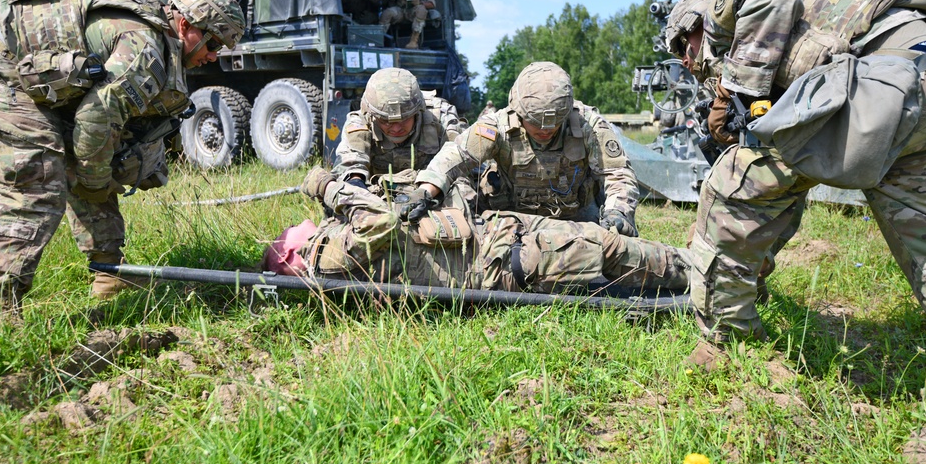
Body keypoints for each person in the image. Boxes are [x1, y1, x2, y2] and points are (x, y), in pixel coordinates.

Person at [668, 0, 926, 386]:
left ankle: (730, 342)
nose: (688, 63)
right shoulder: (805, 16)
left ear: (693, 24)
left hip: (885, 84)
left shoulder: (721, 7)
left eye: (683, 50)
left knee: (730, 191)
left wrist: (741, 93)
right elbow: (789, 184)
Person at [0, 0, 246, 337]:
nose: (214, 55)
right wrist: (93, 180)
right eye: (214, 42)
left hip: (50, 82)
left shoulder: (161, 42)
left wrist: (99, 173)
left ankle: (109, 275)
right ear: (185, 24)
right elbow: (96, 118)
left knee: (101, 159)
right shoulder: (147, 51)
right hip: (9, 72)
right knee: (38, 183)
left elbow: (101, 131)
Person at [263, 167, 691, 297]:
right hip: (503, 262)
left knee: (594, 235)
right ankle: (699, 271)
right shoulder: (325, 258)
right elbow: (380, 223)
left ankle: (688, 259)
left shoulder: (327, 240)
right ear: (296, 254)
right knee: (608, 250)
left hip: (498, 230)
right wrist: (331, 188)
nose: (300, 227)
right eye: (295, 234)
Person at [410, 61, 640, 236]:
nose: (544, 130)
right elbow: (455, 157)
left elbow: (618, 173)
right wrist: (424, 192)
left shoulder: (589, 124)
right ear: (517, 110)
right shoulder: (496, 125)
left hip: (578, 218)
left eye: (554, 123)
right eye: (535, 123)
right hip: (512, 218)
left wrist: (617, 212)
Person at [333, 68, 463, 187]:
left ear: (418, 111)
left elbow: (461, 163)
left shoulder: (440, 117)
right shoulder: (361, 122)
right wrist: (356, 182)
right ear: (372, 115)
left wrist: (429, 191)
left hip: (433, 191)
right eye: (385, 121)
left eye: (404, 119)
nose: (395, 129)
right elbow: (350, 163)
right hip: (376, 195)